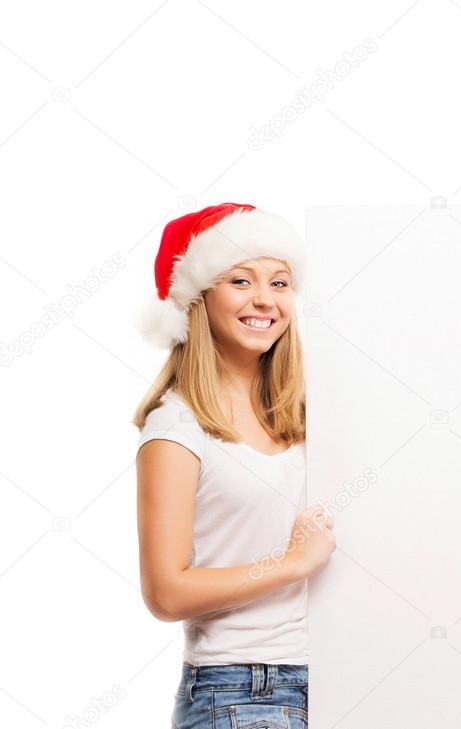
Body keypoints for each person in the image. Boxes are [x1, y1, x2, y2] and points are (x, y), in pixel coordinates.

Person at [133, 202, 334, 728]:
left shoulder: (310, 418)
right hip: (243, 691)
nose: (265, 300)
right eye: (241, 280)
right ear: (199, 298)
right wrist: (291, 564)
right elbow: (166, 591)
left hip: (337, 677)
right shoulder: (177, 427)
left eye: (281, 282)